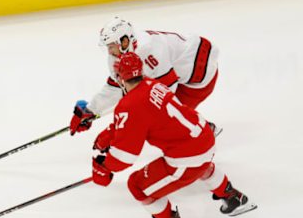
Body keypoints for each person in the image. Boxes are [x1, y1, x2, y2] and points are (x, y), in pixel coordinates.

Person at [91, 52, 256, 218]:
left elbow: (125, 157)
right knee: (200, 164)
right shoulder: (153, 84)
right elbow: (139, 117)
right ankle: (233, 197)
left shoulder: (129, 105)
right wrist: (110, 133)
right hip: (204, 137)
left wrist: (105, 167)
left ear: (121, 78)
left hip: (188, 155)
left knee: (137, 185)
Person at [70, 16, 222, 136]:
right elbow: (116, 87)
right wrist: (91, 109)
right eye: (108, 47)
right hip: (178, 69)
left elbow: (166, 94)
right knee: (156, 114)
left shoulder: (150, 50)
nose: (110, 51)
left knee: (165, 118)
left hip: (200, 70)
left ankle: (204, 132)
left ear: (124, 41)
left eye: (112, 46)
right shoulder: (119, 55)